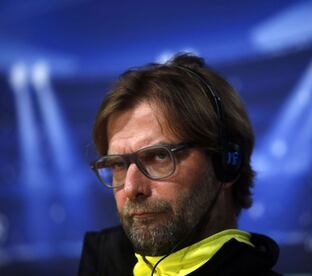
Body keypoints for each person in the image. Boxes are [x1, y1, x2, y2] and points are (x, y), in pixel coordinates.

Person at [79, 53, 280, 275]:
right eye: (118, 165)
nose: (131, 189)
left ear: (226, 161)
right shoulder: (100, 262)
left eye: (159, 156)